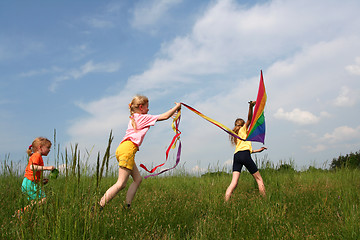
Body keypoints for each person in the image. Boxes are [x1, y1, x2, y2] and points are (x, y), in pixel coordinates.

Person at [97, 95, 181, 210]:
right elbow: (165, 116)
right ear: (141, 107)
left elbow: (165, 116)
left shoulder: (135, 117)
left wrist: (172, 113)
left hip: (124, 148)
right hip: (128, 149)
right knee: (121, 184)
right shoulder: (142, 117)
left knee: (137, 179)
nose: (148, 110)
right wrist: (177, 107)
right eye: (147, 107)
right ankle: (98, 207)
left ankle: (127, 207)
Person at [225, 101, 267, 201]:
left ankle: (225, 202)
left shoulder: (236, 133)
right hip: (244, 155)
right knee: (259, 179)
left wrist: (257, 151)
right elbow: (249, 118)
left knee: (234, 183)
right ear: (243, 124)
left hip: (237, 156)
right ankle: (265, 202)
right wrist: (250, 107)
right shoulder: (243, 129)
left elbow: (244, 148)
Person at [15, 137, 55, 216]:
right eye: (48, 147)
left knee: (36, 202)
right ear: (40, 147)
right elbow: (32, 167)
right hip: (30, 183)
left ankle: (25, 216)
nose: (49, 150)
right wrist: (47, 168)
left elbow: (33, 173)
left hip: (30, 182)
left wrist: (41, 180)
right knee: (44, 200)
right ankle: (22, 212)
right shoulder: (36, 155)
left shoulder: (36, 156)